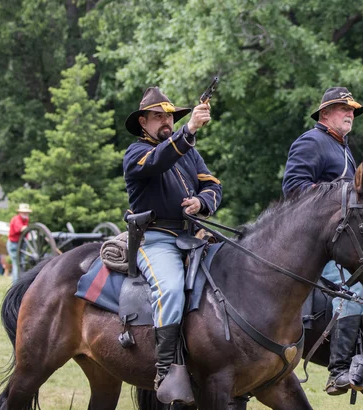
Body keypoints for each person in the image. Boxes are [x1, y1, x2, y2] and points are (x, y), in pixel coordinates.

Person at [282, 87, 363, 396]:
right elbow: (294, 190)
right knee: (352, 290)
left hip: (340, 241)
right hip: (312, 243)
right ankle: (339, 369)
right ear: (325, 114)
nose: (351, 113)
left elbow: (354, 202)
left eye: (352, 109)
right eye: (344, 108)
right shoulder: (311, 142)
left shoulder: (343, 149)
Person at [123, 86, 222, 401]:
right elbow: (158, 161)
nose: (165, 121)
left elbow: (213, 185)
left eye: (169, 116)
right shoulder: (136, 153)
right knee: (170, 289)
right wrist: (189, 128)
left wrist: (201, 203)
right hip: (155, 238)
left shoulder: (189, 151)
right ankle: (165, 369)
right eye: (157, 116)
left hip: (193, 236)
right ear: (143, 122)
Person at [6, 203, 32, 283]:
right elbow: (21, 229)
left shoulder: (26, 219)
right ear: (20, 212)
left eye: (26, 212)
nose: (25, 214)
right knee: (17, 264)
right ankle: (16, 284)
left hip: (22, 243)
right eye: (24, 212)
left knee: (22, 263)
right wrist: (30, 228)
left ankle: (21, 282)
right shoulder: (16, 219)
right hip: (14, 244)